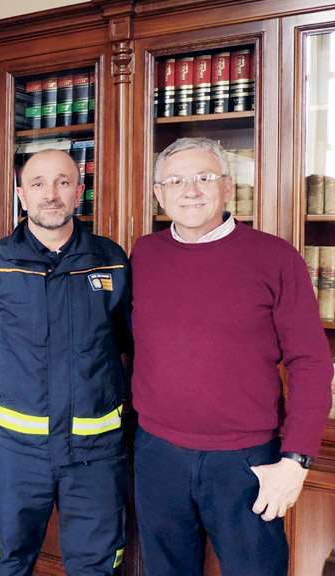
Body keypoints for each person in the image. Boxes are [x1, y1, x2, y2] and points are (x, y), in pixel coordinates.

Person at [131, 137, 333, 576]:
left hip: (247, 460)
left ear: (227, 188)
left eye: (205, 177)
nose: (191, 190)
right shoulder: (143, 254)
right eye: (176, 181)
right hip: (156, 455)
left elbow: (311, 362)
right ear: (159, 194)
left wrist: (296, 460)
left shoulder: (275, 257)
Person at [0, 149, 131, 575]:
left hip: (96, 455)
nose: (50, 194)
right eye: (37, 184)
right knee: (9, 561)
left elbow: (131, 346)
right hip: (15, 453)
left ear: (78, 192)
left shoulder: (111, 260)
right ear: (21, 194)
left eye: (62, 182)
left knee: (97, 565)